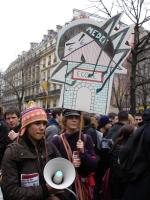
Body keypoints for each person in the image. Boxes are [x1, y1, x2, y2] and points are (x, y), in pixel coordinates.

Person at [1, 106, 62, 200]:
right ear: (26, 126)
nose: (42, 128)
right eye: (37, 123)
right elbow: (10, 192)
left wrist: (58, 196)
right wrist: (45, 191)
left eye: (44, 123)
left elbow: (62, 175)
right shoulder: (12, 152)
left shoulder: (50, 147)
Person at [52, 109, 97, 200]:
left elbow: (93, 165)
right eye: (70, 118)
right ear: (65, 120)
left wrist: (83, 152)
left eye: (77, 118)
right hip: (65, 187)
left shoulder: (86, 138)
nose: (74, 120)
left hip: (83, 186)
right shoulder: (57, 140)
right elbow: (52, 165)